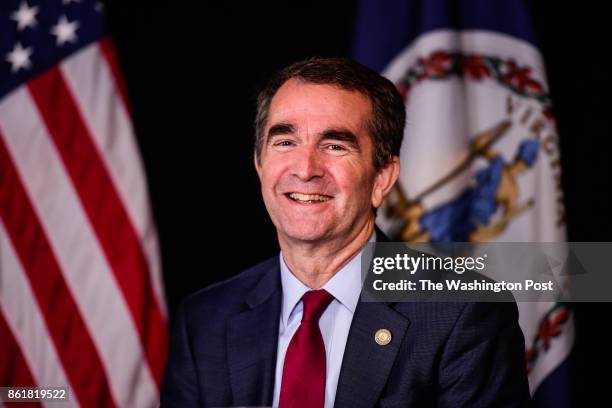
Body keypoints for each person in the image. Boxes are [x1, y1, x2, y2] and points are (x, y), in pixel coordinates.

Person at [160, 57, 531, 407]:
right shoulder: (205, 320)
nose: (305, 169)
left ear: (382, 177)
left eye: (335, 145)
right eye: (285, 142)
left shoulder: (462, 314)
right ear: (259, 163)